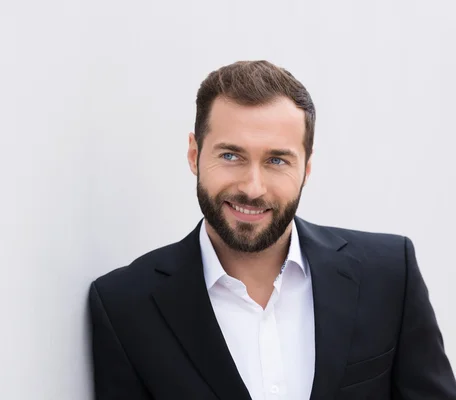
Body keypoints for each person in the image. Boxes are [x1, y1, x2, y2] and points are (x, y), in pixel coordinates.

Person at [88, 60, 456, 400]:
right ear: (193, 153)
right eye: (231, 155)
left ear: (306, 168)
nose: (253, 187)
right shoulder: (124, 305)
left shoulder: (390, 273)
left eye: (276, 160)